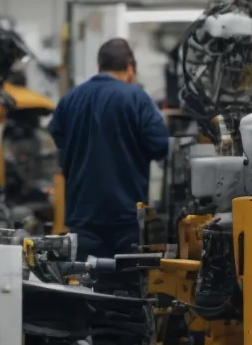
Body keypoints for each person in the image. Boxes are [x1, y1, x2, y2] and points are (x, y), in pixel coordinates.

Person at [49, 38, 170, 262]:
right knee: (128, 285)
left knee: (85, 283)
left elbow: (58, 137)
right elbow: (160, 146)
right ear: (130, 68)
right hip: (125, 217)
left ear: (99, 67)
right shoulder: (138, 98)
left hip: (82, 216)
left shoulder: (69, 100)